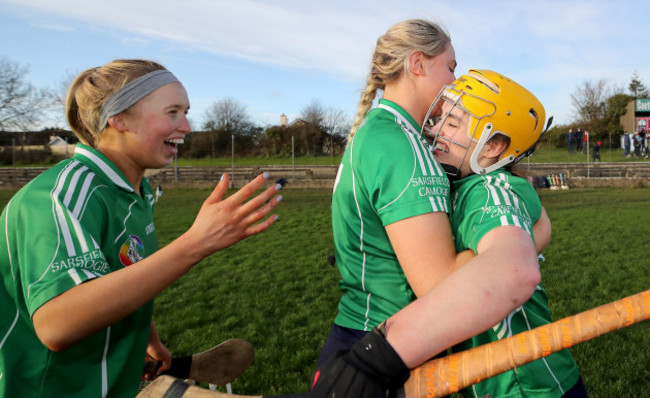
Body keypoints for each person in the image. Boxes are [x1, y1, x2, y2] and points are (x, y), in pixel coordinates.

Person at [0, 59, 283, 397]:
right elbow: (56, 323)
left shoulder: (135, 194)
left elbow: (114, 275)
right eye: (173, 112)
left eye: (185, 111)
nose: (188, 126)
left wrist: (150, 339)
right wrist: (196, 243)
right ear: (118, 118)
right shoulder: (63, 194)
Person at [310, 70, 582, 398]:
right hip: (484, 383)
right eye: (441, 119)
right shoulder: (456, 185)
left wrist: (378, 358)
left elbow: (514, 269)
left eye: (452, 124)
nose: (435, 131)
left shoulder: (492, 189)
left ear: (494, 145)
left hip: (526, 385)